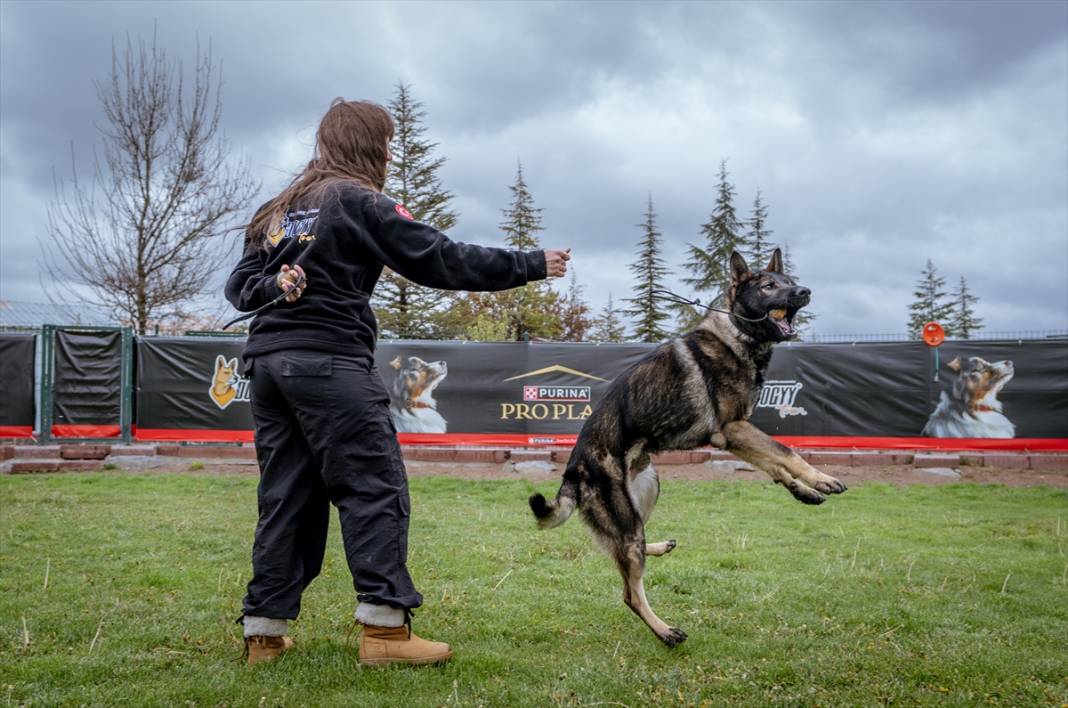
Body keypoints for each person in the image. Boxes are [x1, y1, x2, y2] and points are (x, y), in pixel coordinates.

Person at [225, 98, 570, 667]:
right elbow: (438, 258)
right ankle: (385, 633)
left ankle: (263, 633)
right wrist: (530, 264)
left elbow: (240, 288)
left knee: (285, 496)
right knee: (373, 487)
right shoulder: (357, 200)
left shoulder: (277, 210)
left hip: (266, 367)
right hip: (330, 362)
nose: (389, 154)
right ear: (369, 146)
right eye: (385, 143)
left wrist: (276, 286)